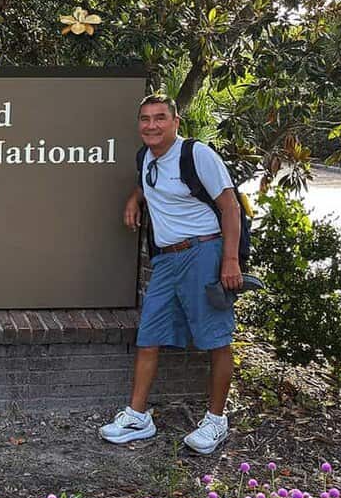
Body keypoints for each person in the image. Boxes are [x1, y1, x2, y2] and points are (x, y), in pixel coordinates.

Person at [99, 93, 243, 454]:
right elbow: (152, 182)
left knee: (215, 337)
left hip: (204, 253)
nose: (152, 125)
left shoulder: (197, 155)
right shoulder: (146, 157)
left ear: (176, 122)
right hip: (166, 260)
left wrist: (229, 259)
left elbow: (230, 207)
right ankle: (137, 416)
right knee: (149, 334)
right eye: (145, 119)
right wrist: (135, 198)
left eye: (160, 118)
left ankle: (215, 421)